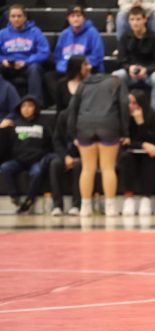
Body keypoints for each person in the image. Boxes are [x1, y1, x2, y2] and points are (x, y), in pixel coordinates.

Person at [68, 73, 129, 217]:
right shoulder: (116, 82)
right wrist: (125, 132)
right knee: (108, 168)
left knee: (87, 168)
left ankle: (85, 207)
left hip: (84, 125)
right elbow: (124, 105)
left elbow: (72, 109)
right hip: (108, 125)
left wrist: (72, 133)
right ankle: (110, 208)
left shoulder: (84, 84)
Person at [48, 56, 91, 217]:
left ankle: (77, 204)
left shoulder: (88, 85)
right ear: (77, 67)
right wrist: (65, 156)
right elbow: (57, 136)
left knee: (81, 165)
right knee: (55, 164)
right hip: (65, 125)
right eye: (85, 64)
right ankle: (57, 205)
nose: (88, 67)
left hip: (84, 127)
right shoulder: (61, 86)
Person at [0, 95, 54, 214]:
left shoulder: (43, 125)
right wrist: (2, 129)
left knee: (37, 172)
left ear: (35, 108)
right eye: (23, 106)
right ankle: (14, 197)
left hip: (36, 160)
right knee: (4, 168)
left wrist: (42, 156)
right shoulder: (14, 125)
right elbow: (5, 145)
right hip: (19, 160)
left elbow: (50, 144)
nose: (26, 109)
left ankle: (30, 199)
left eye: (30, 106)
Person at [113, 6, 155, 112]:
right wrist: (129, 68)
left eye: (138, 19)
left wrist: (147, 70)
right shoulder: (125, 37)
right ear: (128, 21)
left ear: (145, 19)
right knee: (117, 75)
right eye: (132, 19)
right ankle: (120, 110)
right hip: (131, 74)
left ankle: (154, 113)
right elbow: (120, 60)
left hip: (149, 74)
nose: (135, 23)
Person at [118, 89, 155, 216]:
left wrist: (141, 124)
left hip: (149, 154)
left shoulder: (153, 117)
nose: (130, 106)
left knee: (150, 160)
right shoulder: (125, 118)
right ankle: (128, 198)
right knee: (126, 158)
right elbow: (126, 141)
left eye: (134, 103)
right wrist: (143, 144)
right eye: (129, 103)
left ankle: (146, 199)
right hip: (130, 152)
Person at [0, 4, 49, 106]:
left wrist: (26, 62)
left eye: (19, 16)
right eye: (13, 16)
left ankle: (35, 104)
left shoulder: (35, 32)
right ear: (9, 18)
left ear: (25, 17)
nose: (16, 19)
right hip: (8, 66)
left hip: (27, 65)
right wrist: (2, 60)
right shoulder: (2, 34)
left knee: (35, 69)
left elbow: (44, 52)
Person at [54, 5, 105, 76]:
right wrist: (65, 68)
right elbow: (58, 57)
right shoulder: (64, 34)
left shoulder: (93, 32)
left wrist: (80, 68)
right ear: (68, 18)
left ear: (84, 18)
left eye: (78, 16)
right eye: (72, 16)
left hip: (88, 72)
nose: (75, 19)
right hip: (67, 72)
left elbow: (97, 56)